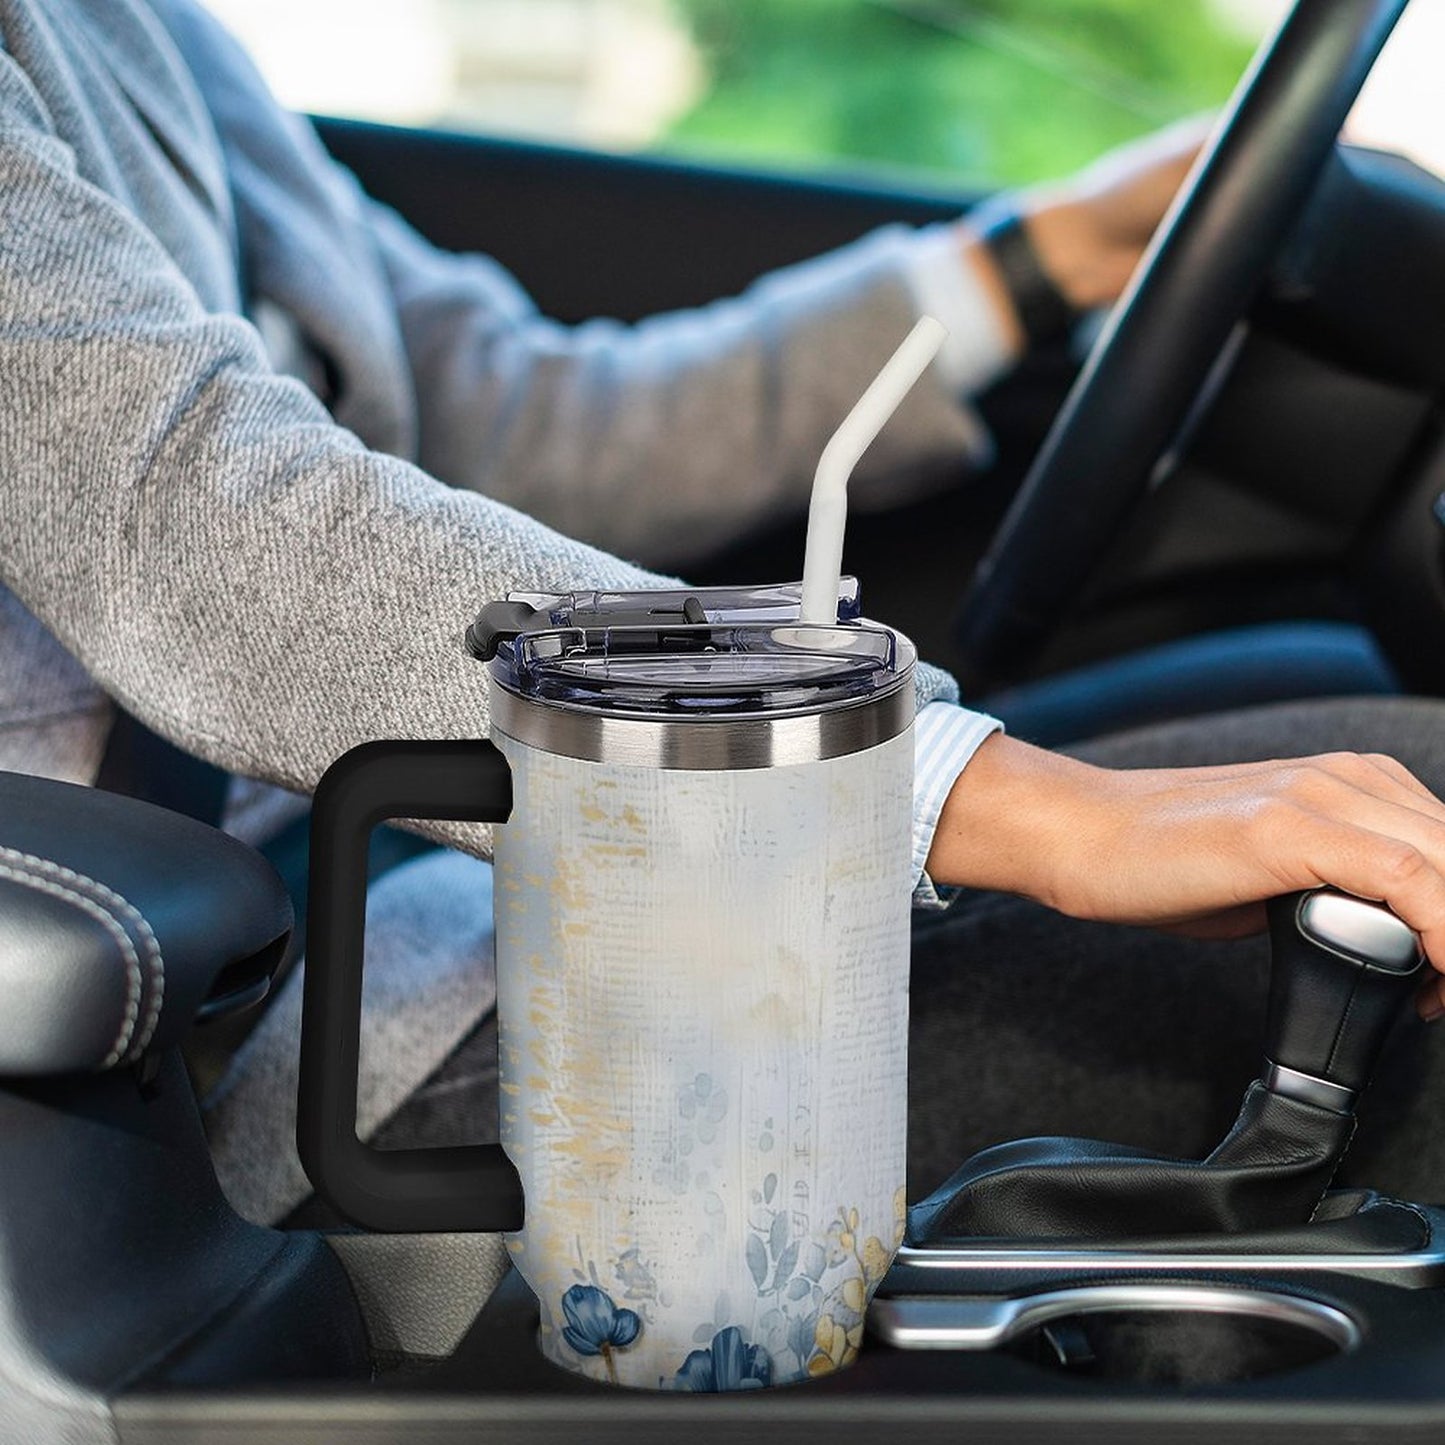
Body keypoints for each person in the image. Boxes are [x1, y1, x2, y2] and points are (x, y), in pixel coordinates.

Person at [5, 0, 1445, 1224]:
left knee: (1328, 712)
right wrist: (1012, 807)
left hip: (424, 884)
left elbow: (501, 414)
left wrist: (1033, 259)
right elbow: (196, 522)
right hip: (244, 1052)